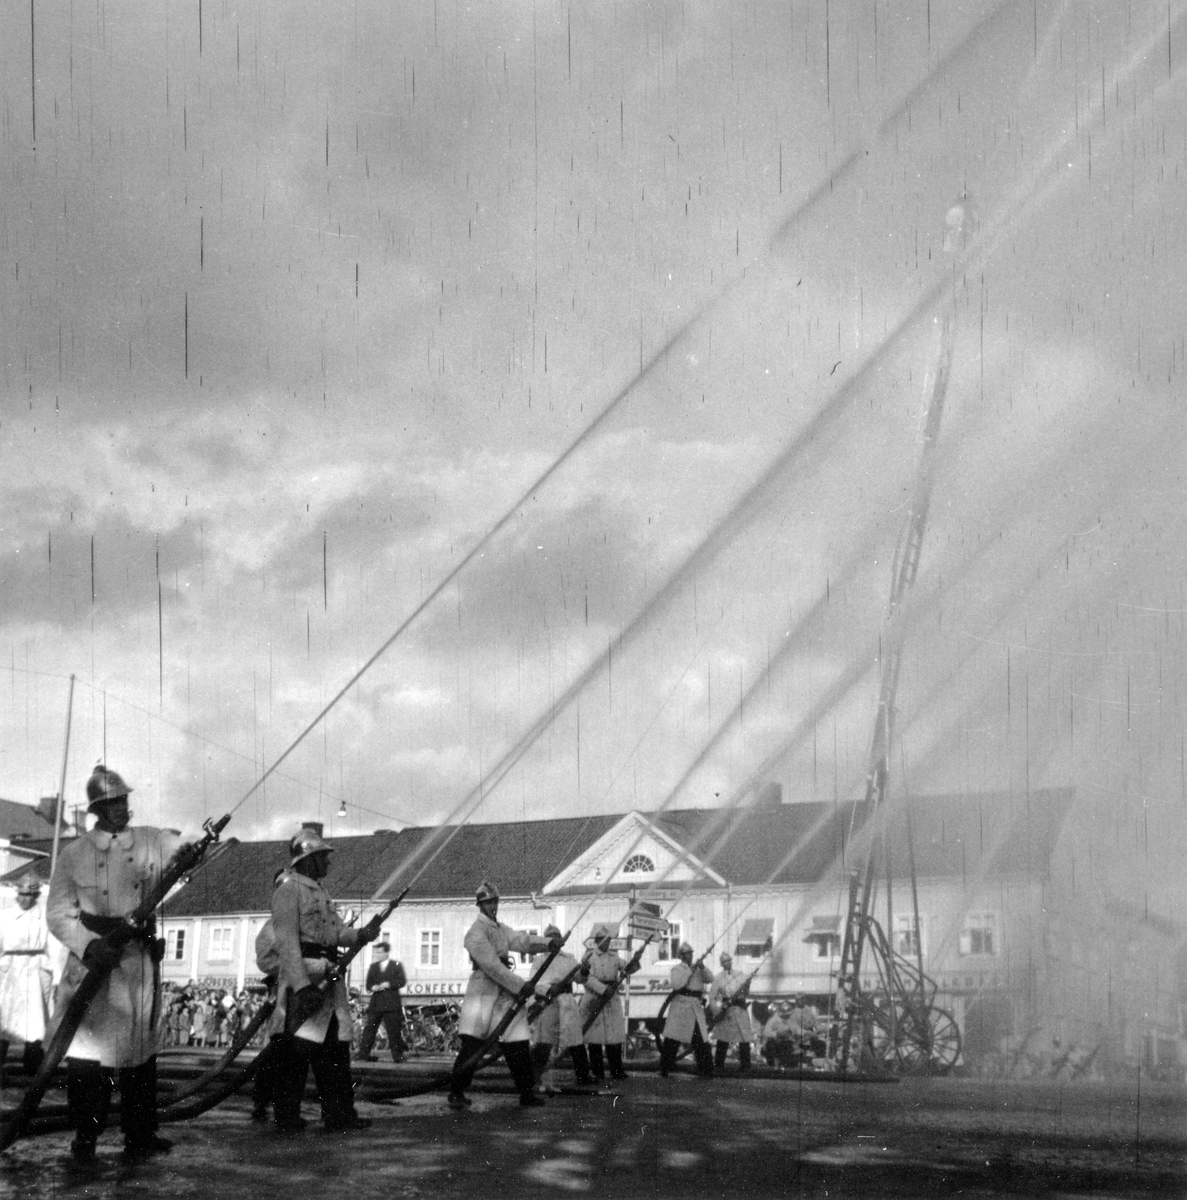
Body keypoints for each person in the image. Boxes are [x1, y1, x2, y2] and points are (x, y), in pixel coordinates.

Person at [45, 764, 181, 1161]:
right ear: (97, 809)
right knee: (88, 1059)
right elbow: (57, 914)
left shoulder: (149, 841)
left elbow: (181, 849)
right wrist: (87, 945)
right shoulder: (73, 854)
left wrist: (192, 848)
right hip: (92, 965)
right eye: (112, 802)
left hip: (135, 962)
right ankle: (85, 1138)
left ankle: (139, 1134)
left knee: (139, 1055)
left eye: (124, 800)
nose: (122, 808)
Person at [270, 827, 377, 1133]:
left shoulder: (322, 894)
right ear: (308, 859)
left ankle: (340, 1112)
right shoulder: (288, 891)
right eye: (322, 857)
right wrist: (301, 987)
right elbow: (288, 943)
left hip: (329, 979)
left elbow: (335, 933)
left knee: (334, 1050)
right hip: (305, 978)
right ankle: (286, 1116)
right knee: (295, 1055)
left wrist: (359, 934)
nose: (328, 862)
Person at [447, 880, 557, 1109]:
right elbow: (493, 967)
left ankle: (526, 1092)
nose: (492, 906)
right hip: (483, 992)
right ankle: (456, 1090)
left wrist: (549, 943)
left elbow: (522, 940)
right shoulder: (475, 934)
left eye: (495, 901)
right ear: (479, 905)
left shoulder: (500, 929)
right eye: (488, 902)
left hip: (505, 992)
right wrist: (522, 986)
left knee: (517, 1041)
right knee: (472, 1045)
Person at [530, 923, 594, 1092]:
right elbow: (534, 983)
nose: (554, 940)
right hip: (548, 1002)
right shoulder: (539, 960)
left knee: (574, 1038)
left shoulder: (570, 959)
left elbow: (579, 979)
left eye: (556, 936)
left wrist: (585, 971)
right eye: (550, 937)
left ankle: (583, 1075)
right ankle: (533, 1076)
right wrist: (549, 989)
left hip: (566, 1000)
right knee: (544, 1038)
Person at [0, 876, 53, 1079]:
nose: (24, 899)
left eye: (29, 895)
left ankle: (32, 1066)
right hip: (10, 970)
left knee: (36, 1021)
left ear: (35, 896)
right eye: (21, 894)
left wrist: (52, 972)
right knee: (5, 1018)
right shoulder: (5, 916)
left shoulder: (43, 917)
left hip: (35, 969)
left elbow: (53, 947)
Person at [579, 922, 635, 1083]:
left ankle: (617, 1070)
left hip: (611, 998)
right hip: (594, 998)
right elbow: (586, 978)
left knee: (613, 1036)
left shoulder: (614, 956)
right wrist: (603, 989)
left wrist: (634, 962)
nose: (606, 943)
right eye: (603, 940)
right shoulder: (589, 956)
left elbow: (627, 968)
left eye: (608, 940)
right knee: (595, 1038)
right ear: (596, 941)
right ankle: (598, 1071)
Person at [659, 942, 714, 1077]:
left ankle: (705, 1068)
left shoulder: (697, 969)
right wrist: (691, 970)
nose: (690, 956)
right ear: (682, 956)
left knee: (700, 1038)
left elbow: (709, 979)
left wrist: (702, 968)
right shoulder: (677, 969)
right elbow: (677, 985)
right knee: (673, 1038)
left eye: (691, 954)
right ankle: (665, 1067)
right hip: (681, 1006)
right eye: (687, 954)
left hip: (695, 1006)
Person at [355, 941, 407, 1063]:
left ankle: (397, 1057)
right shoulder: (373, 967)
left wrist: (389, 984)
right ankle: (363, 1055)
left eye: (379, 952)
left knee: (393, 1031)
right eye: (376, 952)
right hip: (376, 1003)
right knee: (370, 1030)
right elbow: (368, 984)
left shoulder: (396, 965)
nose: (376, 955)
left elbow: (402, 981)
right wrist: (372, 988)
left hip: (391, 1003)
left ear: (386, 953)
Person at [707, 951, 753, 1072]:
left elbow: (745, 993)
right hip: (727, 1010)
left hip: (740, 1008)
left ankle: (745, 1065)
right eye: (725, 962)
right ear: (722, 964)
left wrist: (748, 984)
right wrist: (717, 1010)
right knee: (723, 1037)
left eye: (730, 961)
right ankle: (719, 1064)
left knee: (744, 1037)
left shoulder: (740, 975)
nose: (728, 963)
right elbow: (712, 997)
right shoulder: (718, 978)